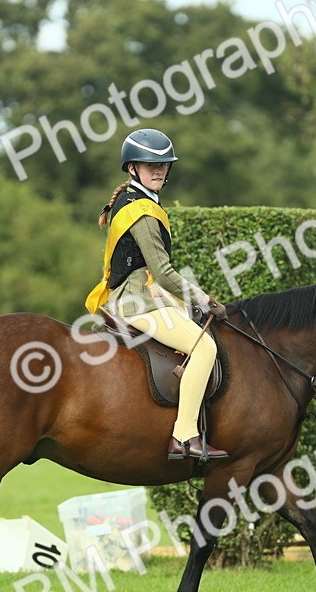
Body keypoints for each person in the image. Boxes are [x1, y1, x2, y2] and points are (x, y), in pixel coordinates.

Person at [85, 128, 229, 461]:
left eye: (164, 165)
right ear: (132, 168)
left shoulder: (138, 201)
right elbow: (163, 273)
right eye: (150, 165)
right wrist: (205, 299)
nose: (159, 170)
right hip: (138, 302)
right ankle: (184, 436)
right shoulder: (141, 211)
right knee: (204, 346)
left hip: (139, 295)